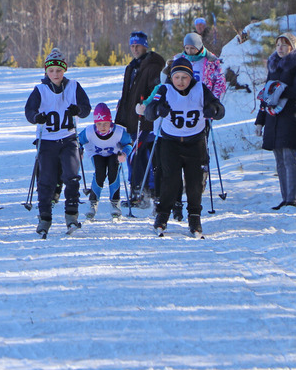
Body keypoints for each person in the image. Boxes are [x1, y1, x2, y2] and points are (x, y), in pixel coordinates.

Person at [147, 57, 225, 236]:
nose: (180, 82)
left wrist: (213, 110)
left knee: (195, 182)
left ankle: (195, 218)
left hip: (195, 142)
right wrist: (159, 109)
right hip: (170, 142)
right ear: (171, 78)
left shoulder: (200, 89)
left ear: (191, 78)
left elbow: (219, 108)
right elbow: (150, 111)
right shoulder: (164, 89)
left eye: (184, 77)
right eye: (177, 77)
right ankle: (162, 215)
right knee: (171, 180)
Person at [23, 49, 92, 238]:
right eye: (51, 71)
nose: (55, 74)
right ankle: (44, 217)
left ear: (64, 70)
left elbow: (86, 108)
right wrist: (37, 117)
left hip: (68, 139)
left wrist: (78, 110)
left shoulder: (74, 86)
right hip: (47, 141)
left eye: (59, 71)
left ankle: (71, 215)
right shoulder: (40, 90)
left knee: (71, 177)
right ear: (46, 71)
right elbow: (29, 111)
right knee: (46, 180)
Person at [256, 32, 296, 210]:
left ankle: (293, 198)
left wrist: (277, 91)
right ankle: (285, 197)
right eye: (278, 44)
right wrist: (260, 120)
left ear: (292, 47)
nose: (280, 48)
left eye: (284, 44)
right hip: (273, 117)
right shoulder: (273, 65)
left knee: (289, 156)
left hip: (290, 116)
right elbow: (266, 93)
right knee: (279, 158)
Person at [115, 31, 165, 204]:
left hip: (144, 121)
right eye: (132, 46)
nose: (135, 49)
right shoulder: (132, 67)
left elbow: (157, 89)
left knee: (135, 154)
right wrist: (122, 109)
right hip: (131, 119)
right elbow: (127, 92)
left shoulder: (152, 66)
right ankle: (144, 191)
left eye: (138, 45)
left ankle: (141, 191)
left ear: (145, 46)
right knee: (137, 154)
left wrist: (147, 107)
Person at [78, 104, 134, 220]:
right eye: (99, 124)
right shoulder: (89, 131)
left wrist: (124, 154)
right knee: (100, 172)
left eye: (105, 123)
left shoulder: (118, 131)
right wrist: (79, 151)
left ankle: (115, 203)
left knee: (114, 170)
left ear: (110, 122)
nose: (102, 127)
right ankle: (93, 202)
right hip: (96, 153)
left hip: (114, 153)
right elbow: (78, 141)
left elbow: (128, 144)